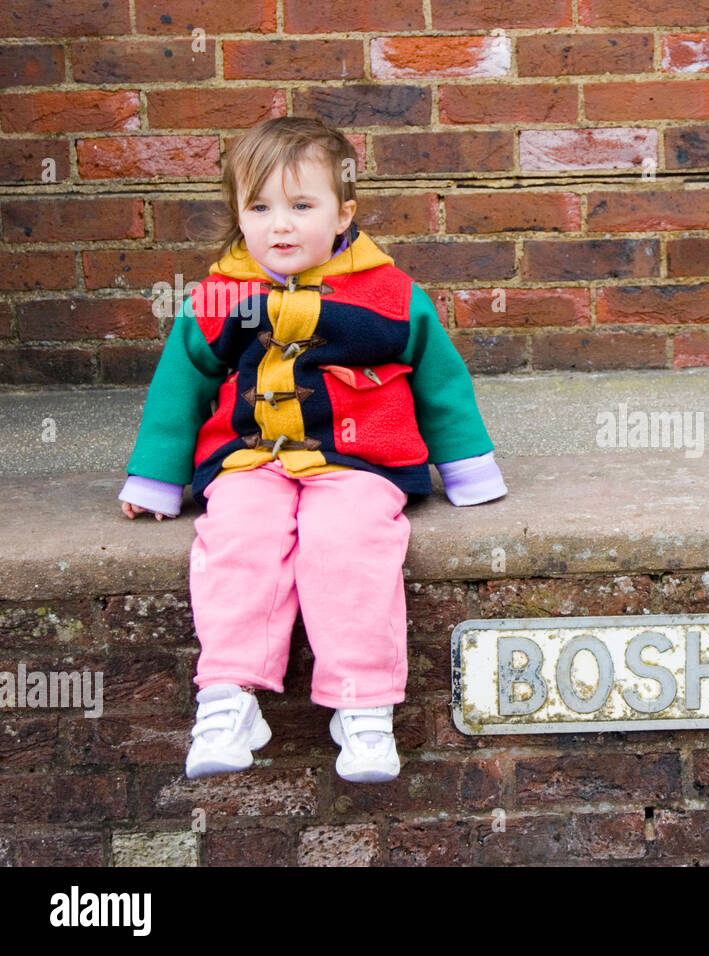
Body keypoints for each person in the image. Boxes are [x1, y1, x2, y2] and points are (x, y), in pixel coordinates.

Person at [118, 116, 505, 783]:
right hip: (249, 458)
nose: (281, 225)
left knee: (348, 540)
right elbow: (177, 389)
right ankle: (228, 697)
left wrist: (467, 469)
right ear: (238, 214)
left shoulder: (391, 296)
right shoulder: (218, 297)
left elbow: (443, 385)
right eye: (260, 207)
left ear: (343, 212)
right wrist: (154, 478)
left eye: (302, 206)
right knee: (238, 532)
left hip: (361, 463)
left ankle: (362, 707)